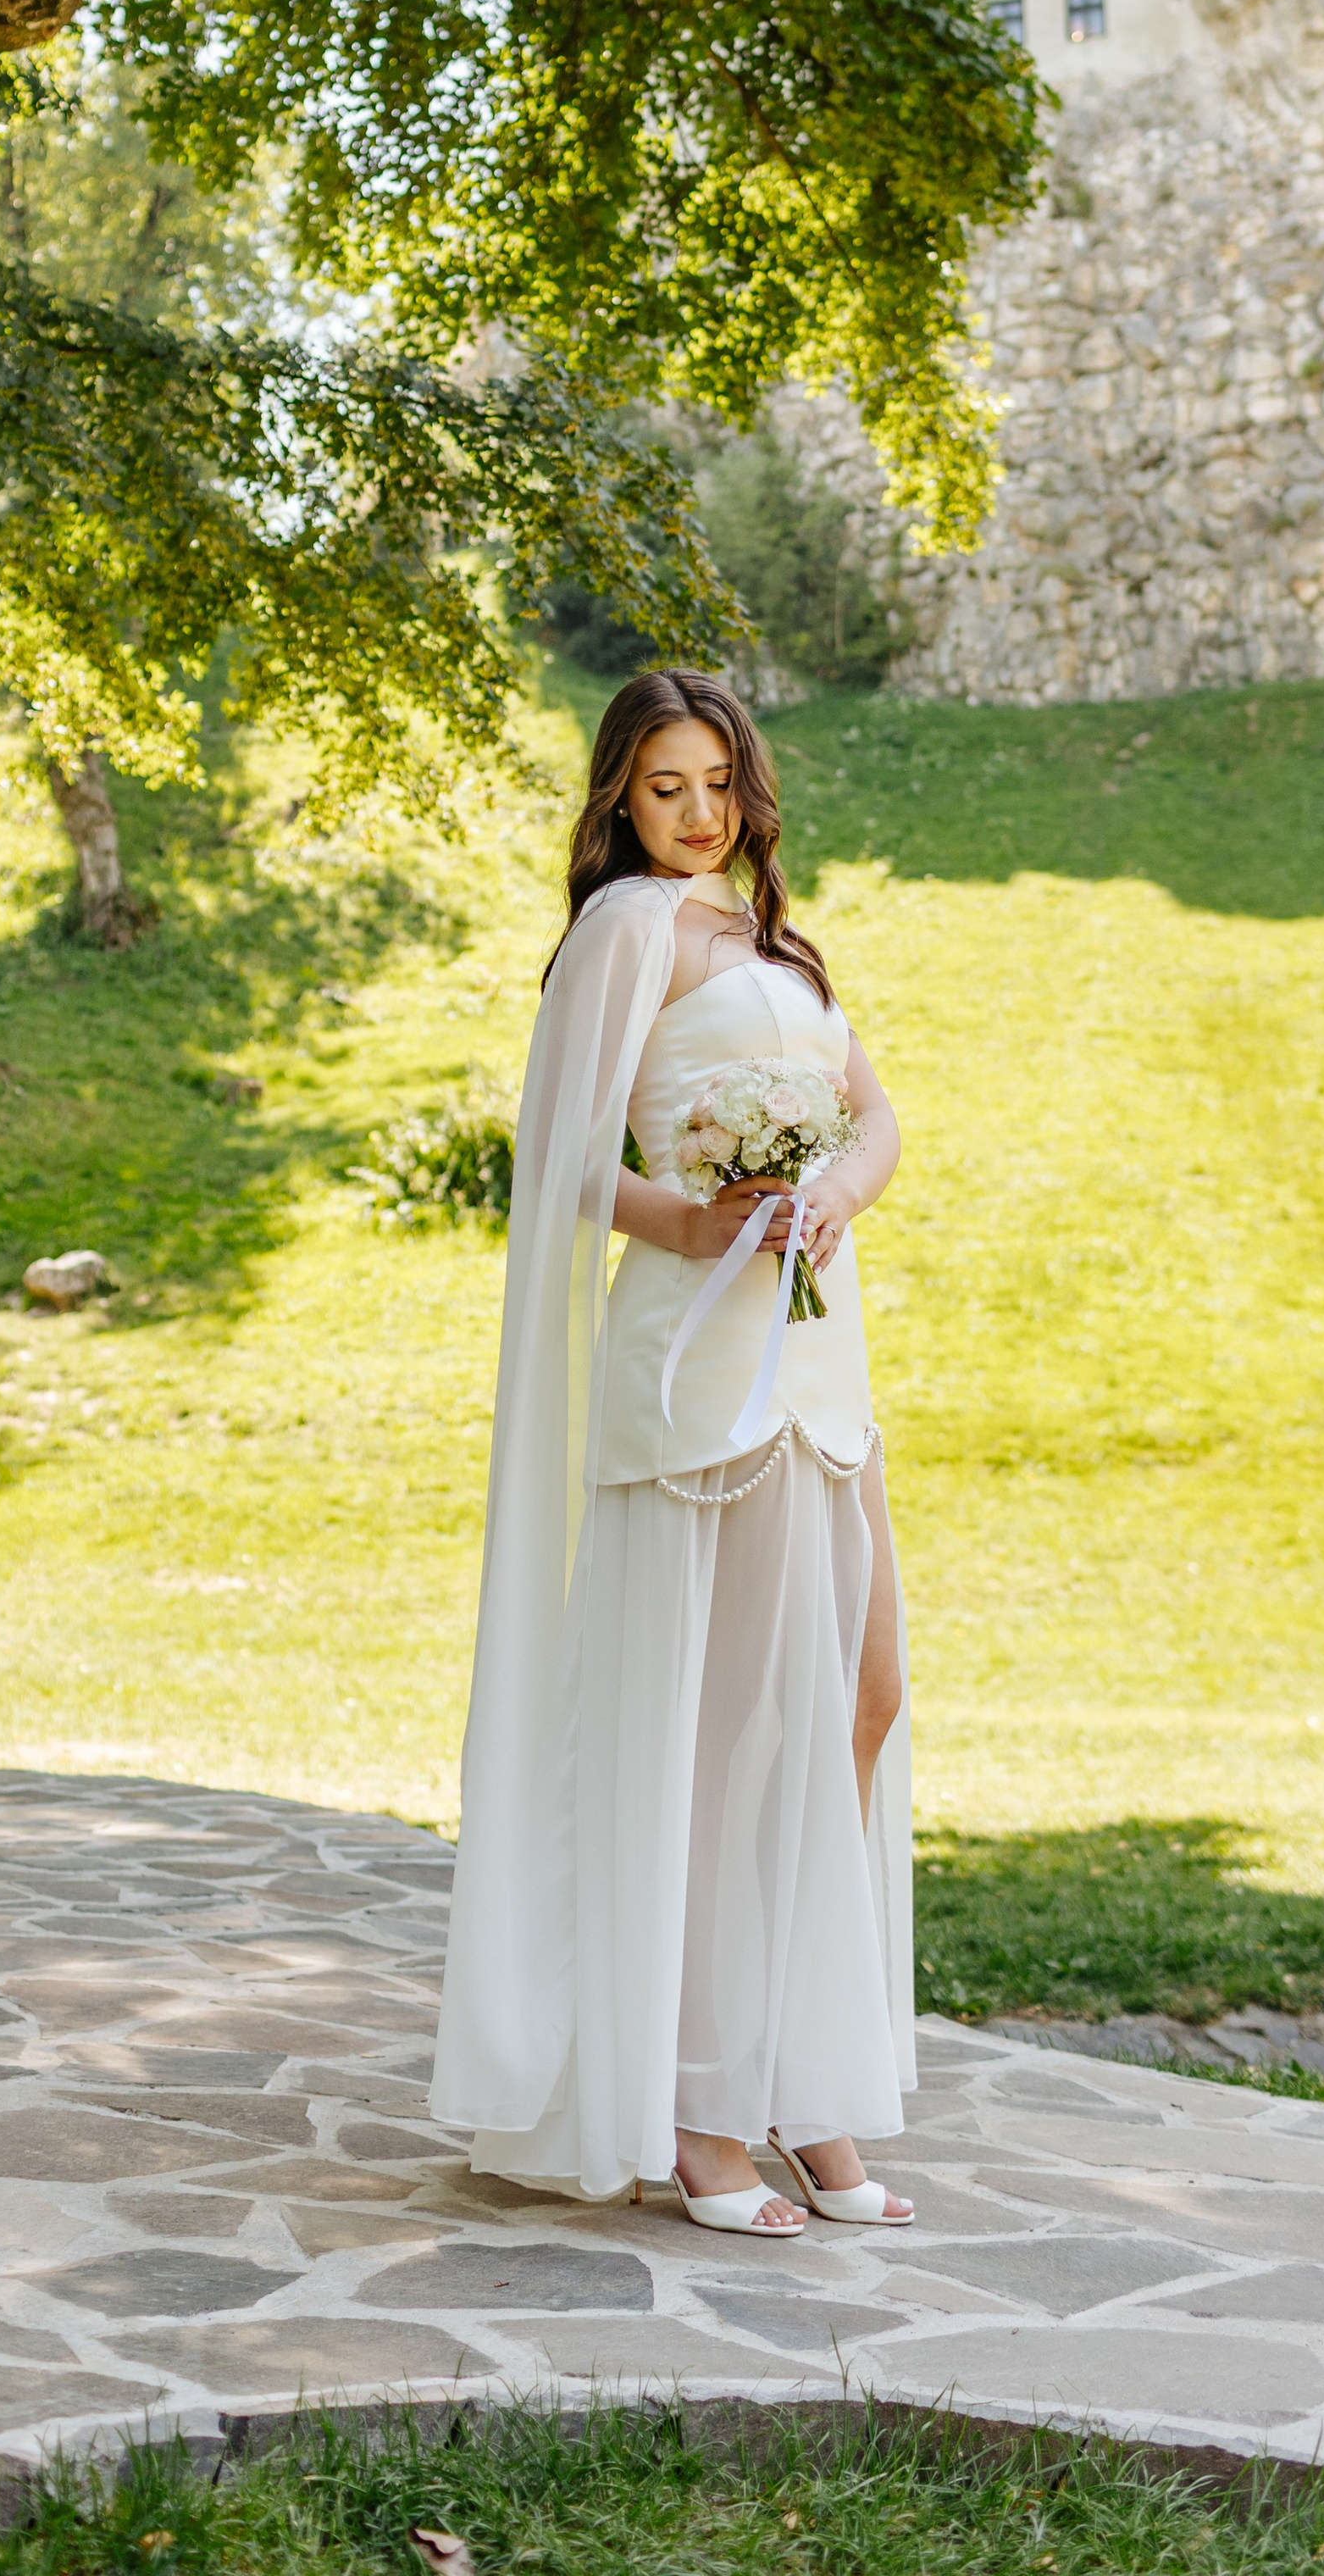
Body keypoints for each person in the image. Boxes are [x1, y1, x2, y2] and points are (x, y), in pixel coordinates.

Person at [429, 668, 913, 2235]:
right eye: (664, 788)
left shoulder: (777, 937)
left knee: (859, 1703)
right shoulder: (627, 931)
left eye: (717, 784)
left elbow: (876, 1117)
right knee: (727, 1746)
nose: (698, 815)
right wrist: (690, 1213)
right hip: (702, 1369)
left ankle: (800, 2078)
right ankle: (713, 2115)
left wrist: (839, 1189)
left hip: (821, 1356)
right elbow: (559, 1163)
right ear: (618, 803)